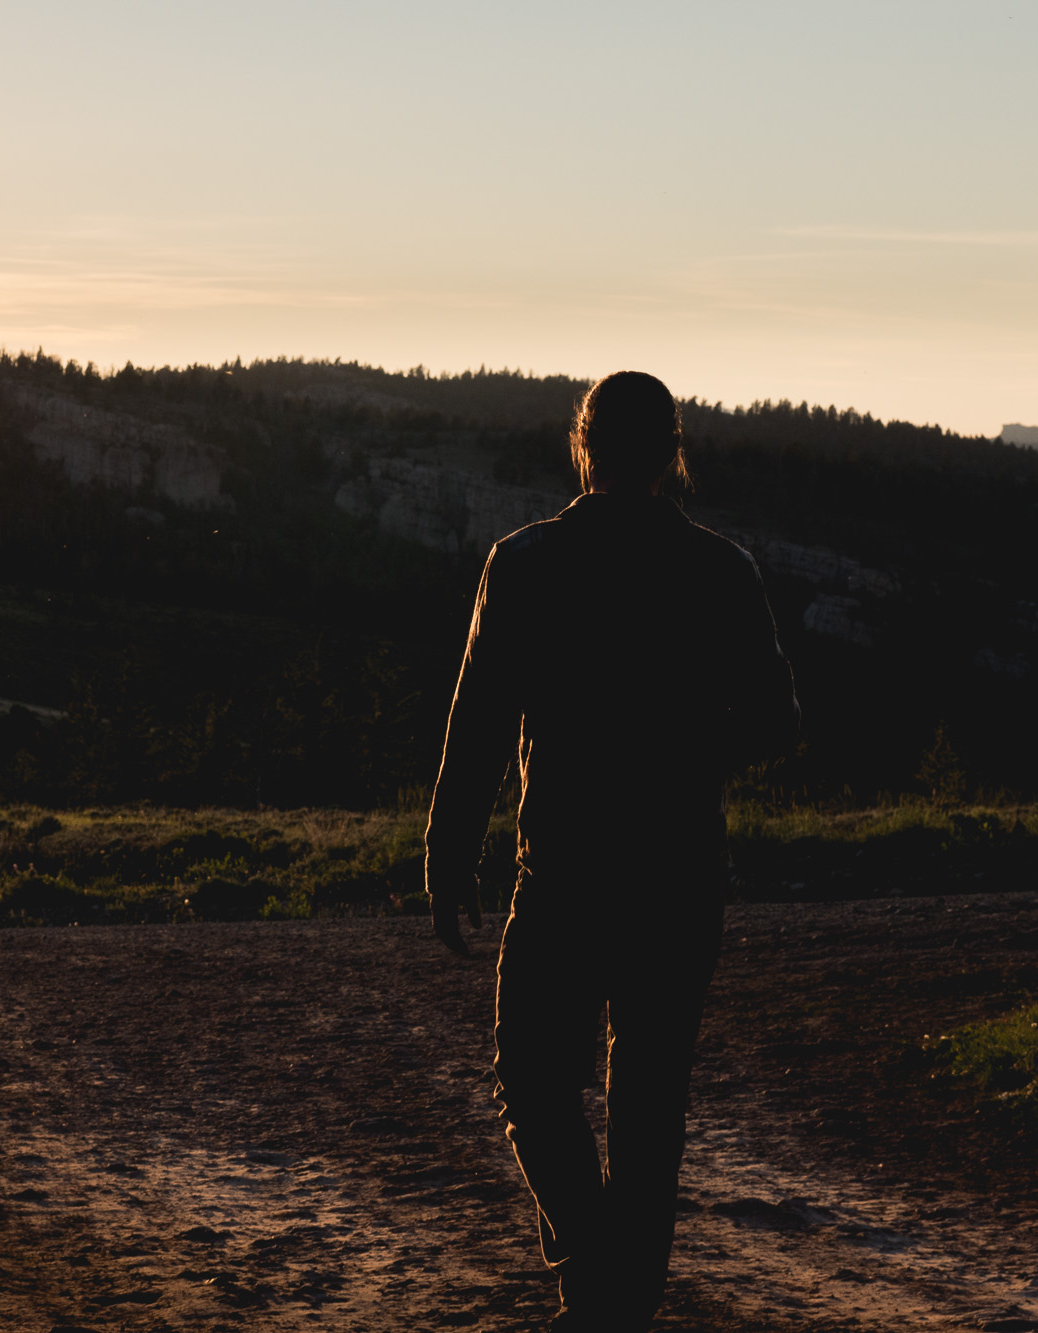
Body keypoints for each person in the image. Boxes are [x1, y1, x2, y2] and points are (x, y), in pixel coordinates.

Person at [423, 370, 800, 1331]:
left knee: (530, 1075)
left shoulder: (524, 563)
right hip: (679, 875)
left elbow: (476, 723)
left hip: (562, 872)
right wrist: (689, 747)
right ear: (674, 451)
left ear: (582, 445)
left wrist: (448, 849)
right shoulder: (723, 569)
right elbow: (775, 720)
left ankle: (592, 1266)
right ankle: (620, 1291)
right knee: (649, 1097)